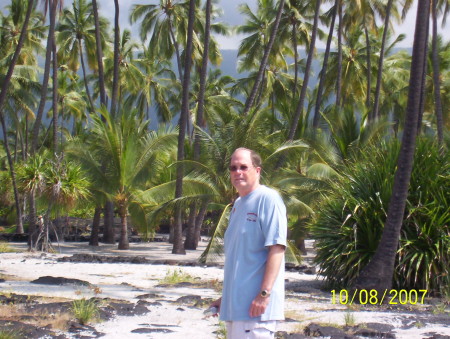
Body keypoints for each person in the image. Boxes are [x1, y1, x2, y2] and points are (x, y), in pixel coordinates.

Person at [210, 147, 287, 339]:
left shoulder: (268, 199)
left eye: (244, 167)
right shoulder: (237, 205)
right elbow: (242, 259)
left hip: (256, 313)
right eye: (233, 168)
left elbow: (277, 249)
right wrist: (225, 298)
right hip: (235, 311)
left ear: (258, 171)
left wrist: (264, 294)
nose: (238, 172)